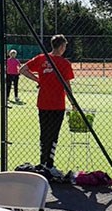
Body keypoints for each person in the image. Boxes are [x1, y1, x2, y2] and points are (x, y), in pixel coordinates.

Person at [19, 35, 75, 176]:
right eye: (64, 46)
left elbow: (23, 69)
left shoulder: (41, 58)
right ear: (61, 46)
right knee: (53, 135)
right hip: (57, 105)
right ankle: (49, 164)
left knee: (44, 134)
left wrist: (38, 79)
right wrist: (73, 102)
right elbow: (67, 86)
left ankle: (43, 162)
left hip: (43, 103)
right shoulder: (64, 63)